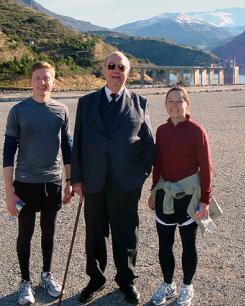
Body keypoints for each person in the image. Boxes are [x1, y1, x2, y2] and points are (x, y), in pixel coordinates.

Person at [71, 51, 155, 304]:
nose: (117, 70)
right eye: (112, 66)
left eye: (122, 67)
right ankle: (95, 278)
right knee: (95, 233)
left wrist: (141, 175)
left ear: (127, 72)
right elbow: (78, 144)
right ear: (104, 70)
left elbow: (149, 145)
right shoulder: (86, 103)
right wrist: (76, 179)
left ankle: (126, 280)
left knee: (126, 233)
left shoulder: (139, 102)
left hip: (126, 183)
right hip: (93, 181)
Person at [2, 61, 73, 305]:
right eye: (38, 78)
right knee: (25, 233)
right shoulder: (19, 111)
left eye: (47, 78)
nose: (43, 83)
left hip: (52, 182)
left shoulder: (61, 110)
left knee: (49, 231)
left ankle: (46, 275)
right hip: (24, 183)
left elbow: (67, 148)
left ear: (54, 81)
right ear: (30, 81)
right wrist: (9, 193)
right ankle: (25, 282)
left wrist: (69, 181)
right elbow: (8, 153)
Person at [147, 86, 213, 306]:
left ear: (187, 104)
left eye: (179, 101)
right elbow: (158, 164)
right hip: (165, 195)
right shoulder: (161, 131)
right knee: (164, 245)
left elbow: (206, 167)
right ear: (165, 105)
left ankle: (187, 286)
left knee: (188, 244)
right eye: (170, 101)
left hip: (189, 197)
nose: (174, 106)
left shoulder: (196, 131)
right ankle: (168, 284)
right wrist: (153, 191)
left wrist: (205, 199)